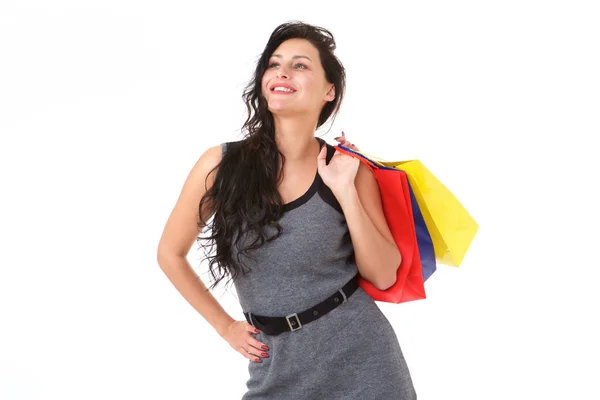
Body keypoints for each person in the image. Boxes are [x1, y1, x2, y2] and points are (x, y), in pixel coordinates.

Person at [156, 21, 417, 399]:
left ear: (330, 92)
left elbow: (382, 273)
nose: (282, 72)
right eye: (274, 64)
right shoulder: (221, 166)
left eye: (300, 65)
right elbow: (169, 253)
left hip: (362, 358)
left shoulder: (347, 169)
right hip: (274, 365)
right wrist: (224, 326)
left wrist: (344, 190)